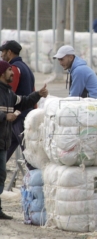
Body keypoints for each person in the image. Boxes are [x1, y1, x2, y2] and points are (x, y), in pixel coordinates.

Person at [0, 61, 48, 219]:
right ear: (1, 73)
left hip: (3, 141)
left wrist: (38, 95)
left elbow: (23, 100)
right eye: (9, 70)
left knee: (1, 175)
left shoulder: (8, 94)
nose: (12, 73)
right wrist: (4, 116)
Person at [0, 40, 36, 165]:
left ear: (9, 52)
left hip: (17, 118)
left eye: (3, 52)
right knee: (10, 149)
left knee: (29, 156)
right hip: (27, 115)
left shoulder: (14, 69)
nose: (1, 55)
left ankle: (33, 178)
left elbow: (10, 93)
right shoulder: (26, 68)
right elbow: (33, 92)